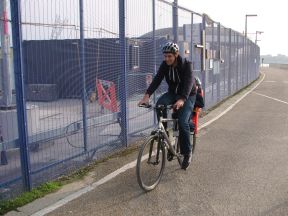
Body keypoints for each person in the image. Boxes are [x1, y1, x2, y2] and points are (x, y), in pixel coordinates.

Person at [138, 42, 197, 170]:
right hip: (173, 93)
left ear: (176, 55)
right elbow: (157, 79)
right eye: (165, 56)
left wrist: (182, 99)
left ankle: (187, 153)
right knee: (159, 104)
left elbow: (188, 83)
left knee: (182, 122)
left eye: (169, 56)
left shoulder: (187, 65)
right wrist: (147, 95)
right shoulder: (165, 65)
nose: (167, 59)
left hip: (188, 96)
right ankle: (164, 133)